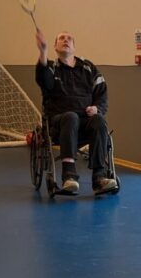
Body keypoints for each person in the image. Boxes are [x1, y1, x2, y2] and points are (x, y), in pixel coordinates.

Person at [34, 29, 117, 195]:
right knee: (70, 117)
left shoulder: (88, 68)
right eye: (61, 38)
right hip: (59, 122)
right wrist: (43, 51)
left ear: (74, 46)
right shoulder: (51, 67)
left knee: (99, 120)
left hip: (85, 120)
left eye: (69, 39)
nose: (66, 40)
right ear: (56, 47)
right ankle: (69, 176)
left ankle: (99, 178)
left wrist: (97, 108)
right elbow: (43, 80)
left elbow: (101, 93)